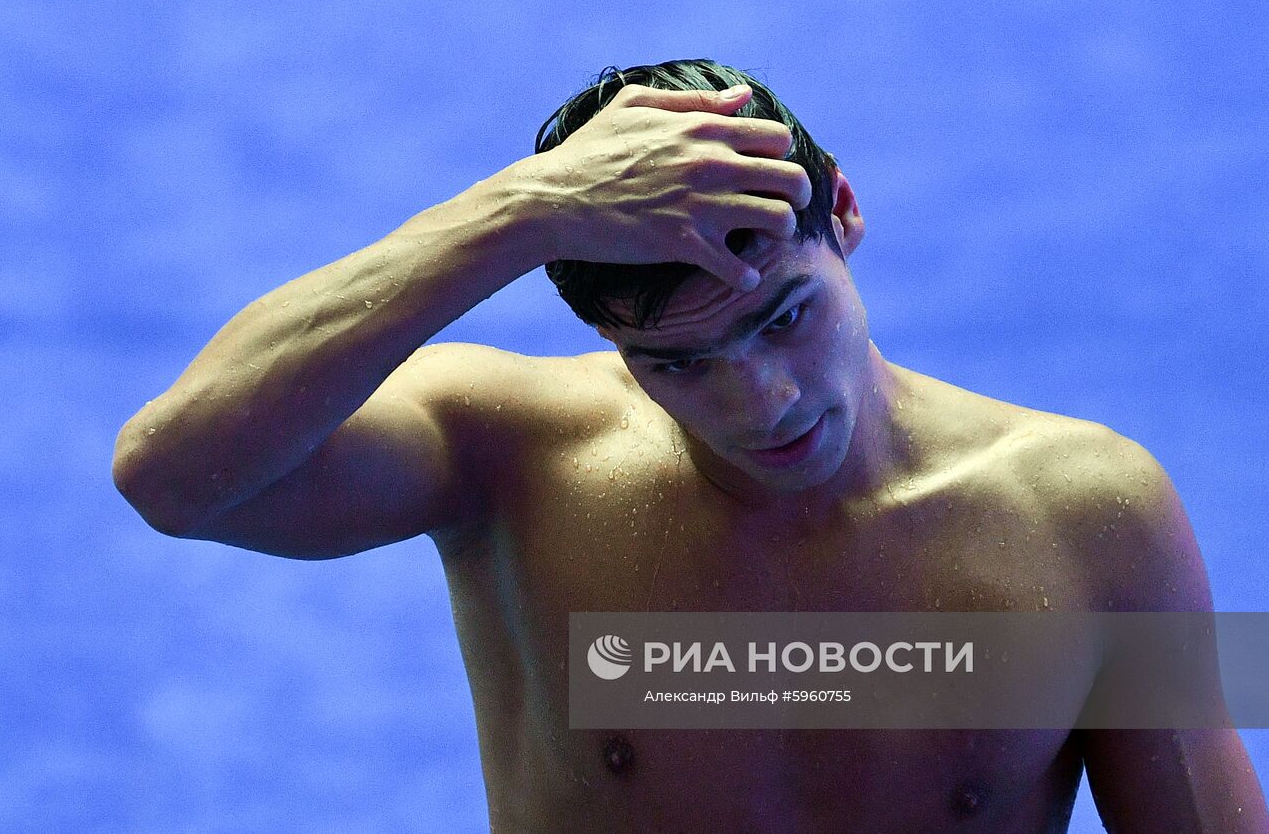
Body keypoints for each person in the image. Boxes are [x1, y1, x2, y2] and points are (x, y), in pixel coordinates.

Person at [112, 59, 1268, 831]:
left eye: (783, 316)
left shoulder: (1091, 514)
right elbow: (169, 474)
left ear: (844, 216)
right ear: (608, 343)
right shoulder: (505, 453)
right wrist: (518, 209)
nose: (760, 401)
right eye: (678, 363)